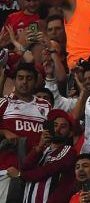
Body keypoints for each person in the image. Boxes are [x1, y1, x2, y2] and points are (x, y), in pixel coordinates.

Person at [0, 63, 51, 200]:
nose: (24, 82)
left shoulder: (45, 105)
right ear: (15, 80)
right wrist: (4, 131)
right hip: (7, 171)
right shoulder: (4, 103)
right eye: (20, 78)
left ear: (35, 81)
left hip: (37, 172)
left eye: (29, 78)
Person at [14, 109, 77, 203]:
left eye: (63, 126)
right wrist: (39, 146)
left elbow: (47, 170)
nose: (57, 129)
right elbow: (25, 166)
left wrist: (20, 175)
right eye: (55, 125)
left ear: (70, 133)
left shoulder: (69, 151)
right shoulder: (42, 150)